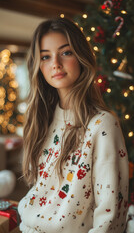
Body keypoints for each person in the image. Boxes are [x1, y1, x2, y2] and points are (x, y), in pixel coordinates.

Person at [18, 17, 129, 233]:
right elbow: (42, 192)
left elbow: (111, 215)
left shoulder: (102, 124)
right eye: (45, 57)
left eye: (66, 52)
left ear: (81, 56)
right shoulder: (43, 118)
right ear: (38, 65)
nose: (55, 64)